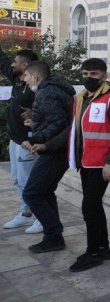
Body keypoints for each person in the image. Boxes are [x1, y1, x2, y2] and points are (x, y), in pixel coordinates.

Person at [58, 58, 110, 271]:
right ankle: (103, 248)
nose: (88, 78)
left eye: (94, 74)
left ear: (104, 76)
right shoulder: (82, 98)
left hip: (101, 163)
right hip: (86, 161)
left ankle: (93, 252)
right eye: (85, 74)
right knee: (94, 205)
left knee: (89, 206)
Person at [21, 60, 75, 253]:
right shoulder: (55, 88)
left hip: (55, 150)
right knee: (45, 192)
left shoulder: (47, 92)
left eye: (27, 76)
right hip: (58, 149)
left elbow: (58, 123)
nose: (25, 80)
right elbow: (55, 119)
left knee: (32, 193)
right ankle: (54, 237)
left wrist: (36, 138)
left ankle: (54, 234)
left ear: (35, 76)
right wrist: (35, 124)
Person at [0, 46, 42, 234]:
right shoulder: (17, 78)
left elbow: (53, 106)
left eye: (15, 62)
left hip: (28, 140)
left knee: (29, 180)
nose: (12, 64)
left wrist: (34, 112)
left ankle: (42, 218)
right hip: (15, 138)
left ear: (25, 65)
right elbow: (2, 62)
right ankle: (25, 213)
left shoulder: (37, 82)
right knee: (17, 179)